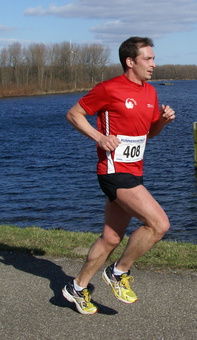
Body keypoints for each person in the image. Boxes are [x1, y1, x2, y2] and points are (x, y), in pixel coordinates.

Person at [62, 36, 175, 315]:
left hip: (134, 171)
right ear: (130, 61)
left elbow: (149, 133)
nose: (153, 64)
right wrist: (99, 137)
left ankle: (76, 287)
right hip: (113, 171)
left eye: (153, 58)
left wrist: (161, 121)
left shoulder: (150, 92)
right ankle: (118, 271)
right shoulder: (109, 89)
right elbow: (74, 114)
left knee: (111, 238)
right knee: (159, 224)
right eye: (147, 59)